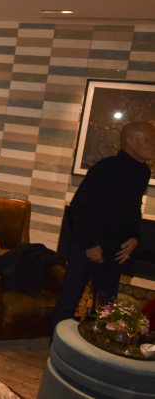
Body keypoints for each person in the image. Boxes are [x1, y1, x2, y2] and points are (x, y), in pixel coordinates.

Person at [52, 121, 155, 326]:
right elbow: (78, 208)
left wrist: (135, 237)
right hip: (86, 247)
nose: (153, 144)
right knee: (68, 303)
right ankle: (58, 352)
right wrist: (90, 245)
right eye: (149, 140)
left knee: (104, 309)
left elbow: (133, 208)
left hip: (116, 251)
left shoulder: (143, 172)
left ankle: (91, 353)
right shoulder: (106, 168)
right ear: (130, 141)